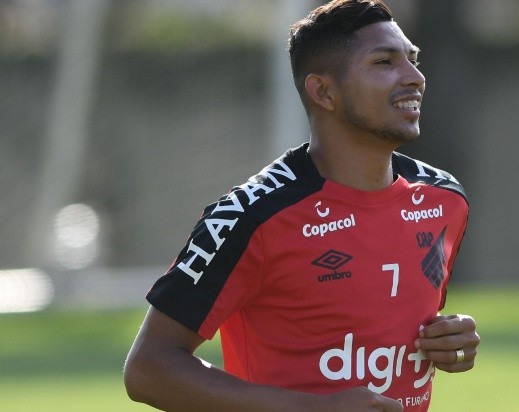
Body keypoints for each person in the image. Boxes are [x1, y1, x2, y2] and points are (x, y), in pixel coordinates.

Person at [123, 1, 479, 411]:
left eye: (412, 60)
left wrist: (451, 340)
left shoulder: (444, 199)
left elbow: (391, 327)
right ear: (323, 91)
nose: (415, 77)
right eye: (384, 62)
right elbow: (149, 368)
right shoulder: (250, 216)